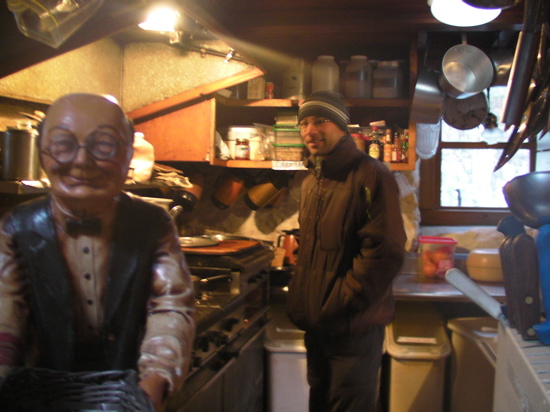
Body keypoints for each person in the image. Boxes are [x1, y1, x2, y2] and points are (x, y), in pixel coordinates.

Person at [0, 93, 195, 410]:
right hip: (40, 392)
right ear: (43, 152)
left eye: (103, 144)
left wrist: (152, 386)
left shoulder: (153, 223)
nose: (81, 160)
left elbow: (170, 306)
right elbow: (6, 309)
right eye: (64, 144)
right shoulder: (16, 226)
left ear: (129, 153)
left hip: (129, 384)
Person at [287, 91, 406, 412]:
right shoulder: (312, 181)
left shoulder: (371, 175)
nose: (310, 130)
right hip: (318, 325)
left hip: (353, 327)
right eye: (304, 123)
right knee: (320, 401)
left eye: (321, 121)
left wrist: (340, 302)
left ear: (341, 127)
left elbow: (387, 251)